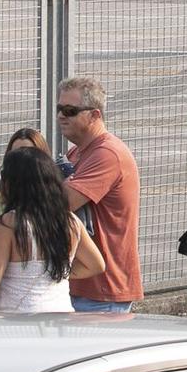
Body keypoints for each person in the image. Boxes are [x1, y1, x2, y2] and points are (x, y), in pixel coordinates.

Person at [0, 148, 103, 314]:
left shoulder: (9, 223)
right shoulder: (70, 221)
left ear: (11, 184)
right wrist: (56, 273)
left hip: (15, 321)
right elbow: (96, 265)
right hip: (61, 315)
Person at [59, 78, 141, 313]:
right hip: (84, 286)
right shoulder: (77, 152)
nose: (61, 116)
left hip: (103, 291)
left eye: (70, 111)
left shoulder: (107, 154)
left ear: (95, 115)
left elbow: (63, 203)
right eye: (59, 109)